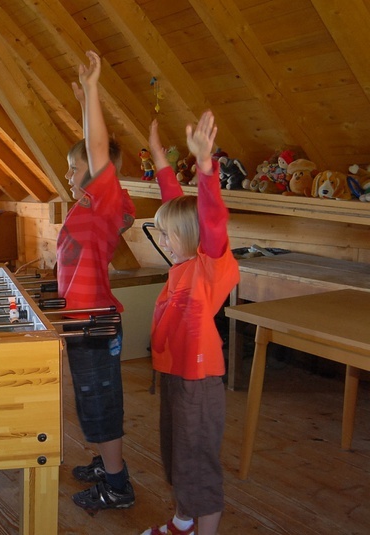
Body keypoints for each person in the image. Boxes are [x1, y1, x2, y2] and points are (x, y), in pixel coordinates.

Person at [140, 111, 239, 535]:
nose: (162, 241)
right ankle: (183, 522)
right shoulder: (184, 259)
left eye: (167, 235)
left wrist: (205, 166)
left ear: (190, 236)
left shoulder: (209, 265)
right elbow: (175, 204)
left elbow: (211, 218)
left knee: (198, 462)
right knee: (178, 454)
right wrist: (160, 157)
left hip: (198, 381)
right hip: (176, 375)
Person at [59, 50, 136, 514]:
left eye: (74, 167)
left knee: (100, 402)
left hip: (95, 321)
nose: (67, 174)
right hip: (80, 318)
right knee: (91, 400)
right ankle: (106, 463)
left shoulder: (106, 200)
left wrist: (91, 91)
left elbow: (98, 149)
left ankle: (117, 483)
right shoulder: (87, 205)